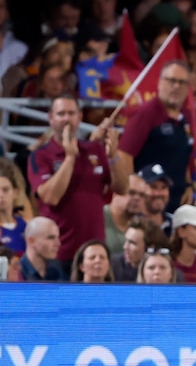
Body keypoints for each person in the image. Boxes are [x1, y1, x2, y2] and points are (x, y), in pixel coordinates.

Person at [27, 94, 129, 273]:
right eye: (61, 114)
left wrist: (113, 156)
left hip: (94, 253)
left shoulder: (94, 150)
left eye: (71, 113)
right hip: (58, 255)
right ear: (50, 118)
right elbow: (50, 197)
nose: (66, 118)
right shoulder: (40, 156)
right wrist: (69, 157)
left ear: (80, 117)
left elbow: (122, 188)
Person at [117, 61, 196, 213]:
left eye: (182, 82)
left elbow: (184, 154)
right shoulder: (145, 114)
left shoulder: (186, 116)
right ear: (160, 82)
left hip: (177, 200)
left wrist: (188, 185)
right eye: (171, 80)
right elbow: (123, 155)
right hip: (150, 201)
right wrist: (134, 194)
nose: (176, 86)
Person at [20, 216, 65, 281]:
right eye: (51, 238)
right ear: (31, 241)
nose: (58, 243)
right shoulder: (18, 272)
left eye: (58, 237)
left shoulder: (57, 269)